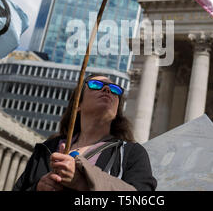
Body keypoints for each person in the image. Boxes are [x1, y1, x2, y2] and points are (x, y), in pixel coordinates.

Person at [13, 74, 157, 191]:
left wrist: (83, 183)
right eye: (96, 85)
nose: (107, 90)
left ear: (117, 110)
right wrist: (38, 188)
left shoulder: (131, 153)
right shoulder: (47, 149)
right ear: (78, 104)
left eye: (114, 89)